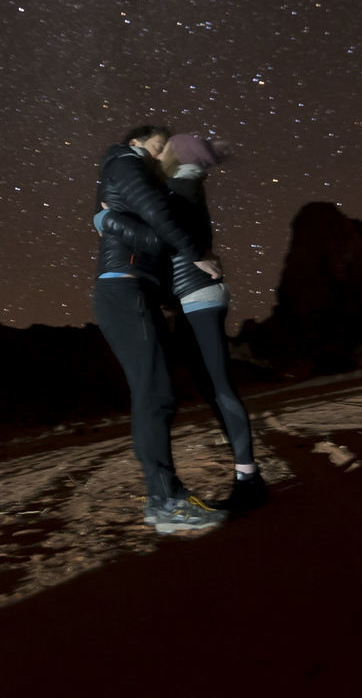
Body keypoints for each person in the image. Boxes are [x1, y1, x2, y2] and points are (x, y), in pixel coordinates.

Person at [96, 132, 268, 512]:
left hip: (198, 297)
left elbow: (167, 231)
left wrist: (108, 219)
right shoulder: (176, 184)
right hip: (190, 298)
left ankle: (249, 479)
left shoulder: (182, 185)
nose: (158, 156)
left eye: (165, 149)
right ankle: (248, 477)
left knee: (218, 385)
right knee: (212, 386)